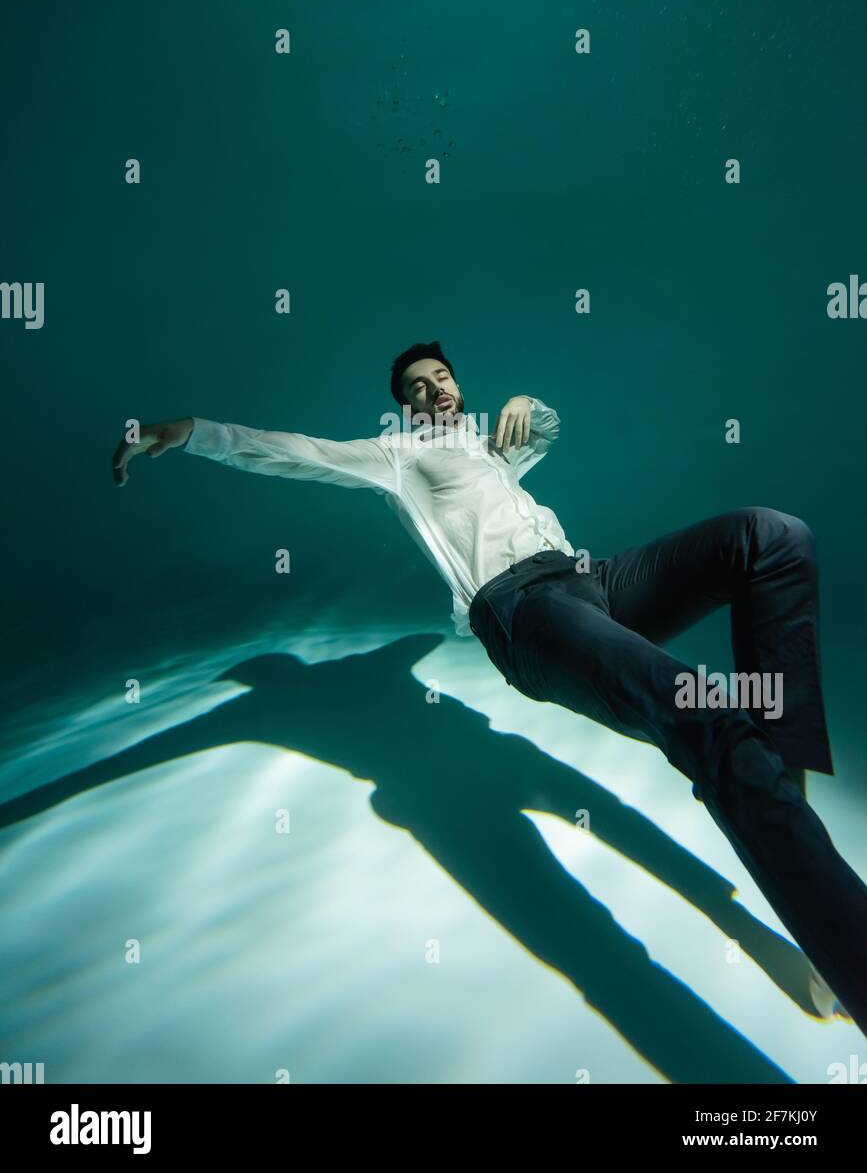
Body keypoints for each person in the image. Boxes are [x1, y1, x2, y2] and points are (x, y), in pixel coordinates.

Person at [112, 339, 867, 1031]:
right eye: (417, 386)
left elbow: (540, 428)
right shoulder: (395, 456)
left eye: (441, 378)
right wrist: (186, 431)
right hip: (524, 613)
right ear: (401, 405)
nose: (434, 390)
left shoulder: (483, 449)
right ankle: (844, 950)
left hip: (592, 579)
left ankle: (788, 827)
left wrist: (525, 406)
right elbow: (292, 452)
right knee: (709, 723)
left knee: (771, 538)